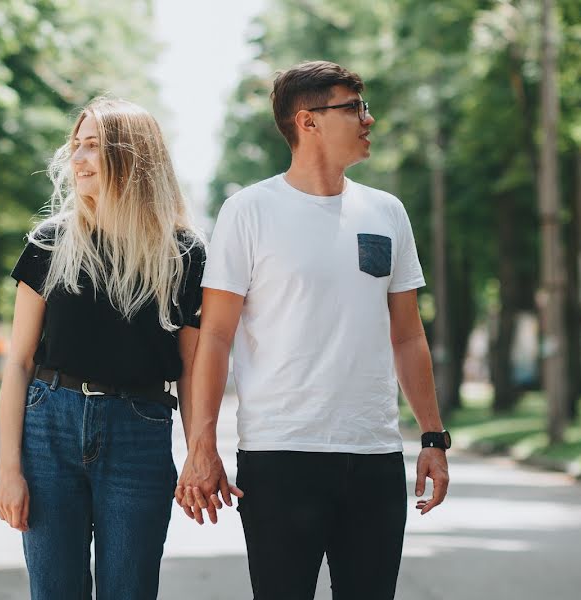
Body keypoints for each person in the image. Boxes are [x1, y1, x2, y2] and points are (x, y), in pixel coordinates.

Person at [176, 61, 451, 600]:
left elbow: (408, 337)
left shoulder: (386, 212)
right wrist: (201, 444)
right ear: (308, 122)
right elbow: (215, 337)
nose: (368, 120)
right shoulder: (248, 211)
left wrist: (433, 437)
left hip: (373, 453)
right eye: (354, 108)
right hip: (281, 455)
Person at [0, 97, 206, 600]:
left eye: (95, 146)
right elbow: (19, 362)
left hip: (141, 431)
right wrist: (9, 468)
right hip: (49, 429)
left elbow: (194, 371)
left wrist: (200, 453)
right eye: (77, 146)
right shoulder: (50, 242)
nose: (80, 158)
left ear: (132, 157)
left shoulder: (184, 253)